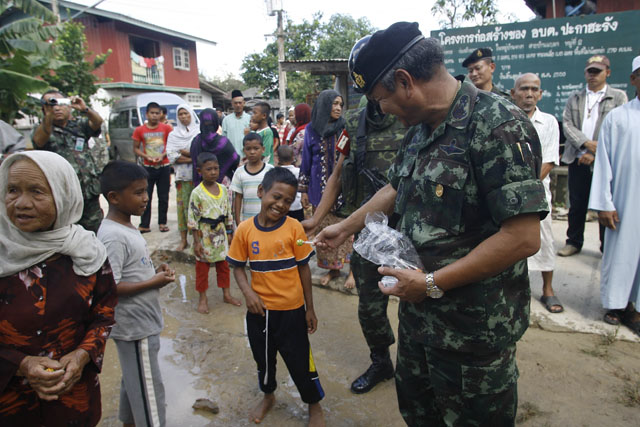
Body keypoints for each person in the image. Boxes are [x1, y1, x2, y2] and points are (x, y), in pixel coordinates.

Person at [316, 22, 547, 425]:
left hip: (472, 334)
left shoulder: (497, 125)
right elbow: (397, 185)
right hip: (419, 321)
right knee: (419, 415)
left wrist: (431, 283)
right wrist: (347, 226)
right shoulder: (420, 128)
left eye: (381, 99)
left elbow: (522, 238)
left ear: (406, 82)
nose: (382, 111)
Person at [0, 151, 117, 426]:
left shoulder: (88, 252)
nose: (21, 203)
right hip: (10, 404)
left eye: (37, 191)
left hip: (74, 397)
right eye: (12, 190)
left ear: (64, 195)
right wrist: (20, 364)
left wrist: (82, 355)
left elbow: (104, 315)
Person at [302, 90, 405, 394]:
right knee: (370, 306)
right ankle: (381, 362)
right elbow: (338, 174)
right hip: (369, 231)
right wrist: (316, 219)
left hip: (410, 228)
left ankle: (418, 370)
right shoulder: (353, 122)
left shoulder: (411, 116)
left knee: (419, 303)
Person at [226, 167, 325, 426]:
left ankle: (314, 404)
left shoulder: (294, 228)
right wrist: (248, 293)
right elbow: (237, 267)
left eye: (287, 201)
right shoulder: (245, 230)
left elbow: (304, 269)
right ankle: (268, 396)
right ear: (261, 192)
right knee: (263, 360)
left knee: (301, 361)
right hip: (259, 313)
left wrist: (309, 308)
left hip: (292, 312)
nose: (281, 204)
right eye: (276, 197)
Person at [98, 161, 175, 427]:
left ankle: (129, 422)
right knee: (150, 390)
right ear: (114, 197)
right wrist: (153, 282)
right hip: (134, 326)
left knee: (135, 378)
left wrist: (154, 271)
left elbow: (131, 270)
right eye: (139, 192)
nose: (146, 198)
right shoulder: (112, 236)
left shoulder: (126, 227)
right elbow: (110, 286)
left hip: (141, 322)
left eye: (146, 190)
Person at [588, 56, 640, 335]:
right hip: (624, 201)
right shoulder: (618, 118)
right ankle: (616, 305)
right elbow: (604, 163)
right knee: (622, 253)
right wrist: (604, 204)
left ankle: (637, 309)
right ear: (634, 79)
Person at [558, 55, 627, 256]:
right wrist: (586, 145)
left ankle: (607, 246)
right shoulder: (575, 97)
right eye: (590, 71)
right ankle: (573, 241)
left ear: (608, 72)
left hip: (606, 161)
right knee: (577, 204)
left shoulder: (618, 97)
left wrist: (595, 153)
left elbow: (619, 127)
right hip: (577, 158)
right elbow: (567, 125)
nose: (593, 75)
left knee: (605, 203)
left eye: (598, 71)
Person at [511, 73, 563, 313]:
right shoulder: (505, 120)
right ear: (513, 93)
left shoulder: (549, 122)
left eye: (534, 89)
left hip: (537, 194)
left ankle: (548, 289)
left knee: (545, 239)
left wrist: (523, 187)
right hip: (508, 195)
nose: (529, 94)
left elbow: (549, 162)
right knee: (511, 241)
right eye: (524, 89)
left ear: (540, 94)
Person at [299, 89, 352, 287]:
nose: (338, 108)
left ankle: (352, 272)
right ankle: (333, 270)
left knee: (347, 232)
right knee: (324, 232)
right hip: (318, 192)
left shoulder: (346, 128)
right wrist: (304, 190)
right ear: (324, 105)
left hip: (344, 191)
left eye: (340, 105)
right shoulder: (311, 130)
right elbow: (306, 160)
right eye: (334, 104)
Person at [31, 90, 104, 232]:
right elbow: (39, 141)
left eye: (60, 103)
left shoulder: (79, 125)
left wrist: (85, 109)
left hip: (88, 191)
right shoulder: (42, 129)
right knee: (66, 233)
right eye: (51, 104)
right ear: (44, 108)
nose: (57, 108)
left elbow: (97, 122)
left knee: (95, 231)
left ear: (68, 106)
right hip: (62, 194)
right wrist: (49, 116)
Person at [188, 152, 241, 313]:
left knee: (223, 266)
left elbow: (228, 212)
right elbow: (193, 219)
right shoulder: (197, 193)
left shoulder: (223, 189)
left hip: (221, 233)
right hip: (204, 235)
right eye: (208, 169)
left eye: (216, 169)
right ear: (200, 171)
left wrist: (230, 232)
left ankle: (226, 294)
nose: (213, 172)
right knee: (202, 269)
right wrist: (196, 242)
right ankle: (202, 298)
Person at [132, 101, 173, 233]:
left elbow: (172, 145)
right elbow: (135, 148)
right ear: (147, 114)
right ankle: (144, 224)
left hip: (164, 166)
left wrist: (163, 155)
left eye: (157, 113)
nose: (154, 115)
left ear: (161, 114)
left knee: (164, 196)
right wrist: (146, 156)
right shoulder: (140, 130)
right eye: (152, 113)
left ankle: (162, 222)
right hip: (147, 167)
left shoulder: (166, 128)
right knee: (145, 196)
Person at [167, 103, 200, 251]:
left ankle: (198, 239)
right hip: (182, 177)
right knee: (183, 208)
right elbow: (171, 156)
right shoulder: (173, 135)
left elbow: (200, 154)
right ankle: (183, 240)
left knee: (198, 208)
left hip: (198, 176)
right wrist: (192, 158)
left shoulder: (198, 132)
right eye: (180, 114)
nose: (183, 116)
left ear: (191, 114)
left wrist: (184, 154)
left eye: (186, 113)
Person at [230, 132, 274, 226]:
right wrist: (238, 221)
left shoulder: (270, 170)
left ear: (263, 149)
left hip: (267, 220)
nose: (252, 152)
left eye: (256, 148)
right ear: (244, 150)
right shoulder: (239, 172)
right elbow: (238, 197)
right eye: (248, 149)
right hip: (247, 221)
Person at [190, 108, 239, 187]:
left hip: (202, 185)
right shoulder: (223, 142)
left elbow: (195, 163)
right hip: (223, 183)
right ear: (216, 122)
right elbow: (235, 159)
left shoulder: (196, 142)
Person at [276, 145, 304, 221]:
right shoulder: (299, 171)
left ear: (278, 159)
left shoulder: (276, 172)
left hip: (281, 205)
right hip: (297, 205)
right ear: (293, 158)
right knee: (297, 225)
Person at [222, 89, 251, 156]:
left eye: (240, 103)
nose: (238, 105)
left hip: (247, 157)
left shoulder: (250, 119)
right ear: (232, 104)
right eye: (235, 103)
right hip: (231, 156)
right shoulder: (226, 120)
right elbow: (224, 140)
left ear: (244, 103)